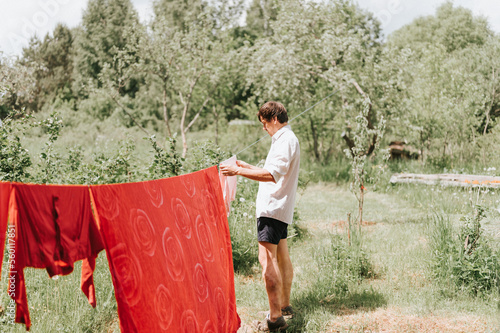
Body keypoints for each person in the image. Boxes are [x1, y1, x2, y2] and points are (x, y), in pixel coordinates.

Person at [220, 101, 300, 332]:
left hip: (272, 208)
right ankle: (284, 306)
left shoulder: (285, 140)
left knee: (267, 261)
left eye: (265, 124)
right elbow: (273, 169)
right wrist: (246, 166)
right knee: (282, 256)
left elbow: (271, 175)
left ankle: (274, 318)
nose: (264, 129)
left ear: (274, 119)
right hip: (280, 208)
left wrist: (237, 171)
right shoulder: (286, 139)